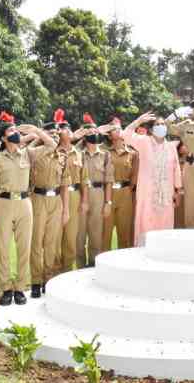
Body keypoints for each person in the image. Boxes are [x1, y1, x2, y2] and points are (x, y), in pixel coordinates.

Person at [0, 111, 56, 306]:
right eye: (10, 130)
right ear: (3, 137)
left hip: (25, 203)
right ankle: (6, 289)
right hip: (3, 204)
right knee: (3, 248)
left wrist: (36, 131)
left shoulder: (28, 153)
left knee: (24, 247)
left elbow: (51, 144)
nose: (15, 131)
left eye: (15, 128)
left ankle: (19, 288)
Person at [122, 112, 182, 245]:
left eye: (163, 124)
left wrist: (178, 191)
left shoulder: (171, 147)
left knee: (165, 226)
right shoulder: (144, 142)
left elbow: (176, 168)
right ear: (151, 129)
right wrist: (138, 121)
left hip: (166, 196)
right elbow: (125, 135)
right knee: (146, 224)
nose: (161, 126)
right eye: (157, 124)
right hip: (147, 196)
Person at [28, 109, 71, 297]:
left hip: (56, 201)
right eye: (50, 133)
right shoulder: (35, 153)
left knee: (52, 243)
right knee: (37, 241)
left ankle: (48, 278)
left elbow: (65, 184)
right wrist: (38, 135)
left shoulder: (62, 156)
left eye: (56, 133)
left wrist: (66, 210)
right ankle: (36, 281)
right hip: (38, 198)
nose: (54, 136)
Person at [77, 114, 113, 267]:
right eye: (89, 133)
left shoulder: (105, 155)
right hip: (80, 195)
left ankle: (92, 266)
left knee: (96, 234)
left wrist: (108, 202)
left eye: (95, 133)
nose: (93, 135)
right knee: (79, 235)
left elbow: (109, 180)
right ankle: (79, 267)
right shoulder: (78, 153)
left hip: (98, 194)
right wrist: (84, 132)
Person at [59, 122, 91, 272]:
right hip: (56, 196)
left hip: (74, 197)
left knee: (71, 239)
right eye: (64, 129)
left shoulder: (78, 154)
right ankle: (52, 273)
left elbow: (84, 179)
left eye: (69, 128)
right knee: (54, 238)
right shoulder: (53, 151)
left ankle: (66, 272)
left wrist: (84, 201)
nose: (68, 131)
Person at [103, 121, 139, 251]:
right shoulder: (104, 152)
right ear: (109, 135)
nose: (118, 131)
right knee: (105, 231)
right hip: (108, 192)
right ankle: (104, 260)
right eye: (113, 129)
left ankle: (124, 261)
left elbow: (134, 175)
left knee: (125, 230)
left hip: (125, 193)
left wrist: (129, 191)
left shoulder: (133, 153)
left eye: (119, 128)